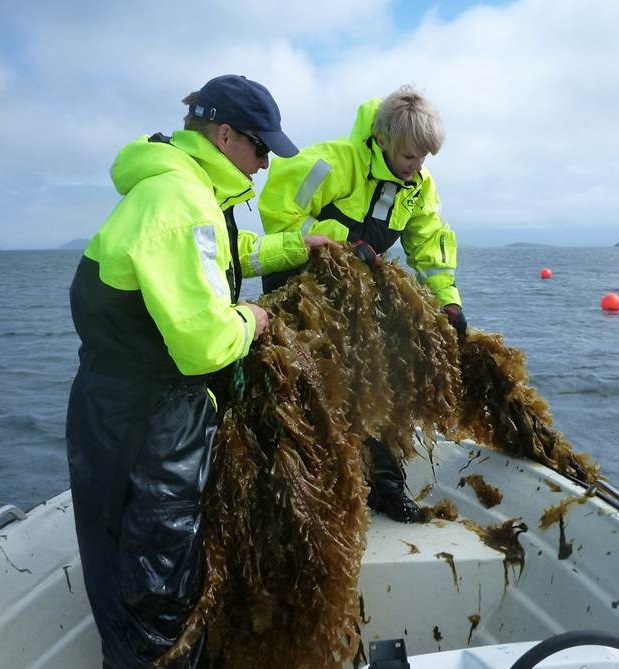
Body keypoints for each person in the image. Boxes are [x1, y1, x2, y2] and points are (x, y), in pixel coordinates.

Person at [65, 74, 339, 667]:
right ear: (224, 134)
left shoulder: (192, 191)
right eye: (260, 147)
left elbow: (225, 259)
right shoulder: (180, 203)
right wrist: (255, 321)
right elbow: (206, 344)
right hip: (144, 420)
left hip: (131, 404)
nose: (266, 163)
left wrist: (298, 245)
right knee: (155, 591)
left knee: (140, 565)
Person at [258, 84, 466, 523]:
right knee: (307, 386)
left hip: (359, 294)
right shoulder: (331, 162)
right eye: (409, 156)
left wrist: (447, 302)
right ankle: (302, 492)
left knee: (379, 378)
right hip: (301, 285)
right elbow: (281, 216)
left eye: (424, 158)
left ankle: (385, 484)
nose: (417, 168)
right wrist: (340, 242)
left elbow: (428, 243)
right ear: (385, 139)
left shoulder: (418, 186)